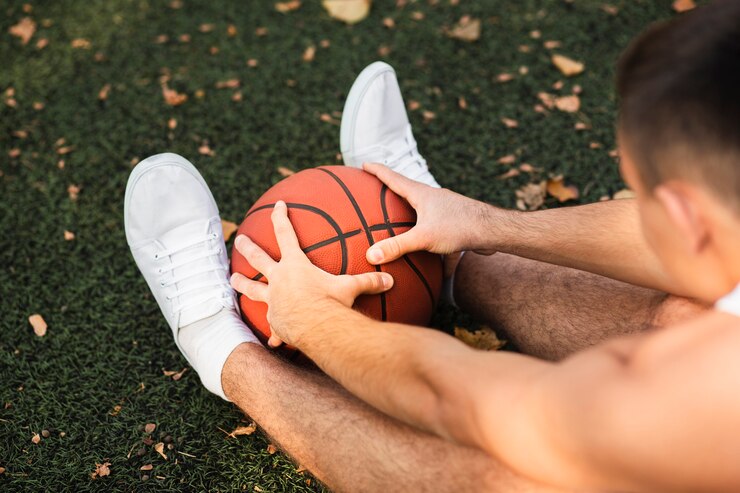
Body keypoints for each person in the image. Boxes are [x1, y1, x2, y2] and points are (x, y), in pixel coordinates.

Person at [124, 1, 740, 491]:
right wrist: (486, 225)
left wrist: (306, 318)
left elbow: (455, 400)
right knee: (686, 315)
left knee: (511, 481)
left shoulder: (705, 388)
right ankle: (450, 265)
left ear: (686, 214)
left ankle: (225, 354)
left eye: (640, 192)